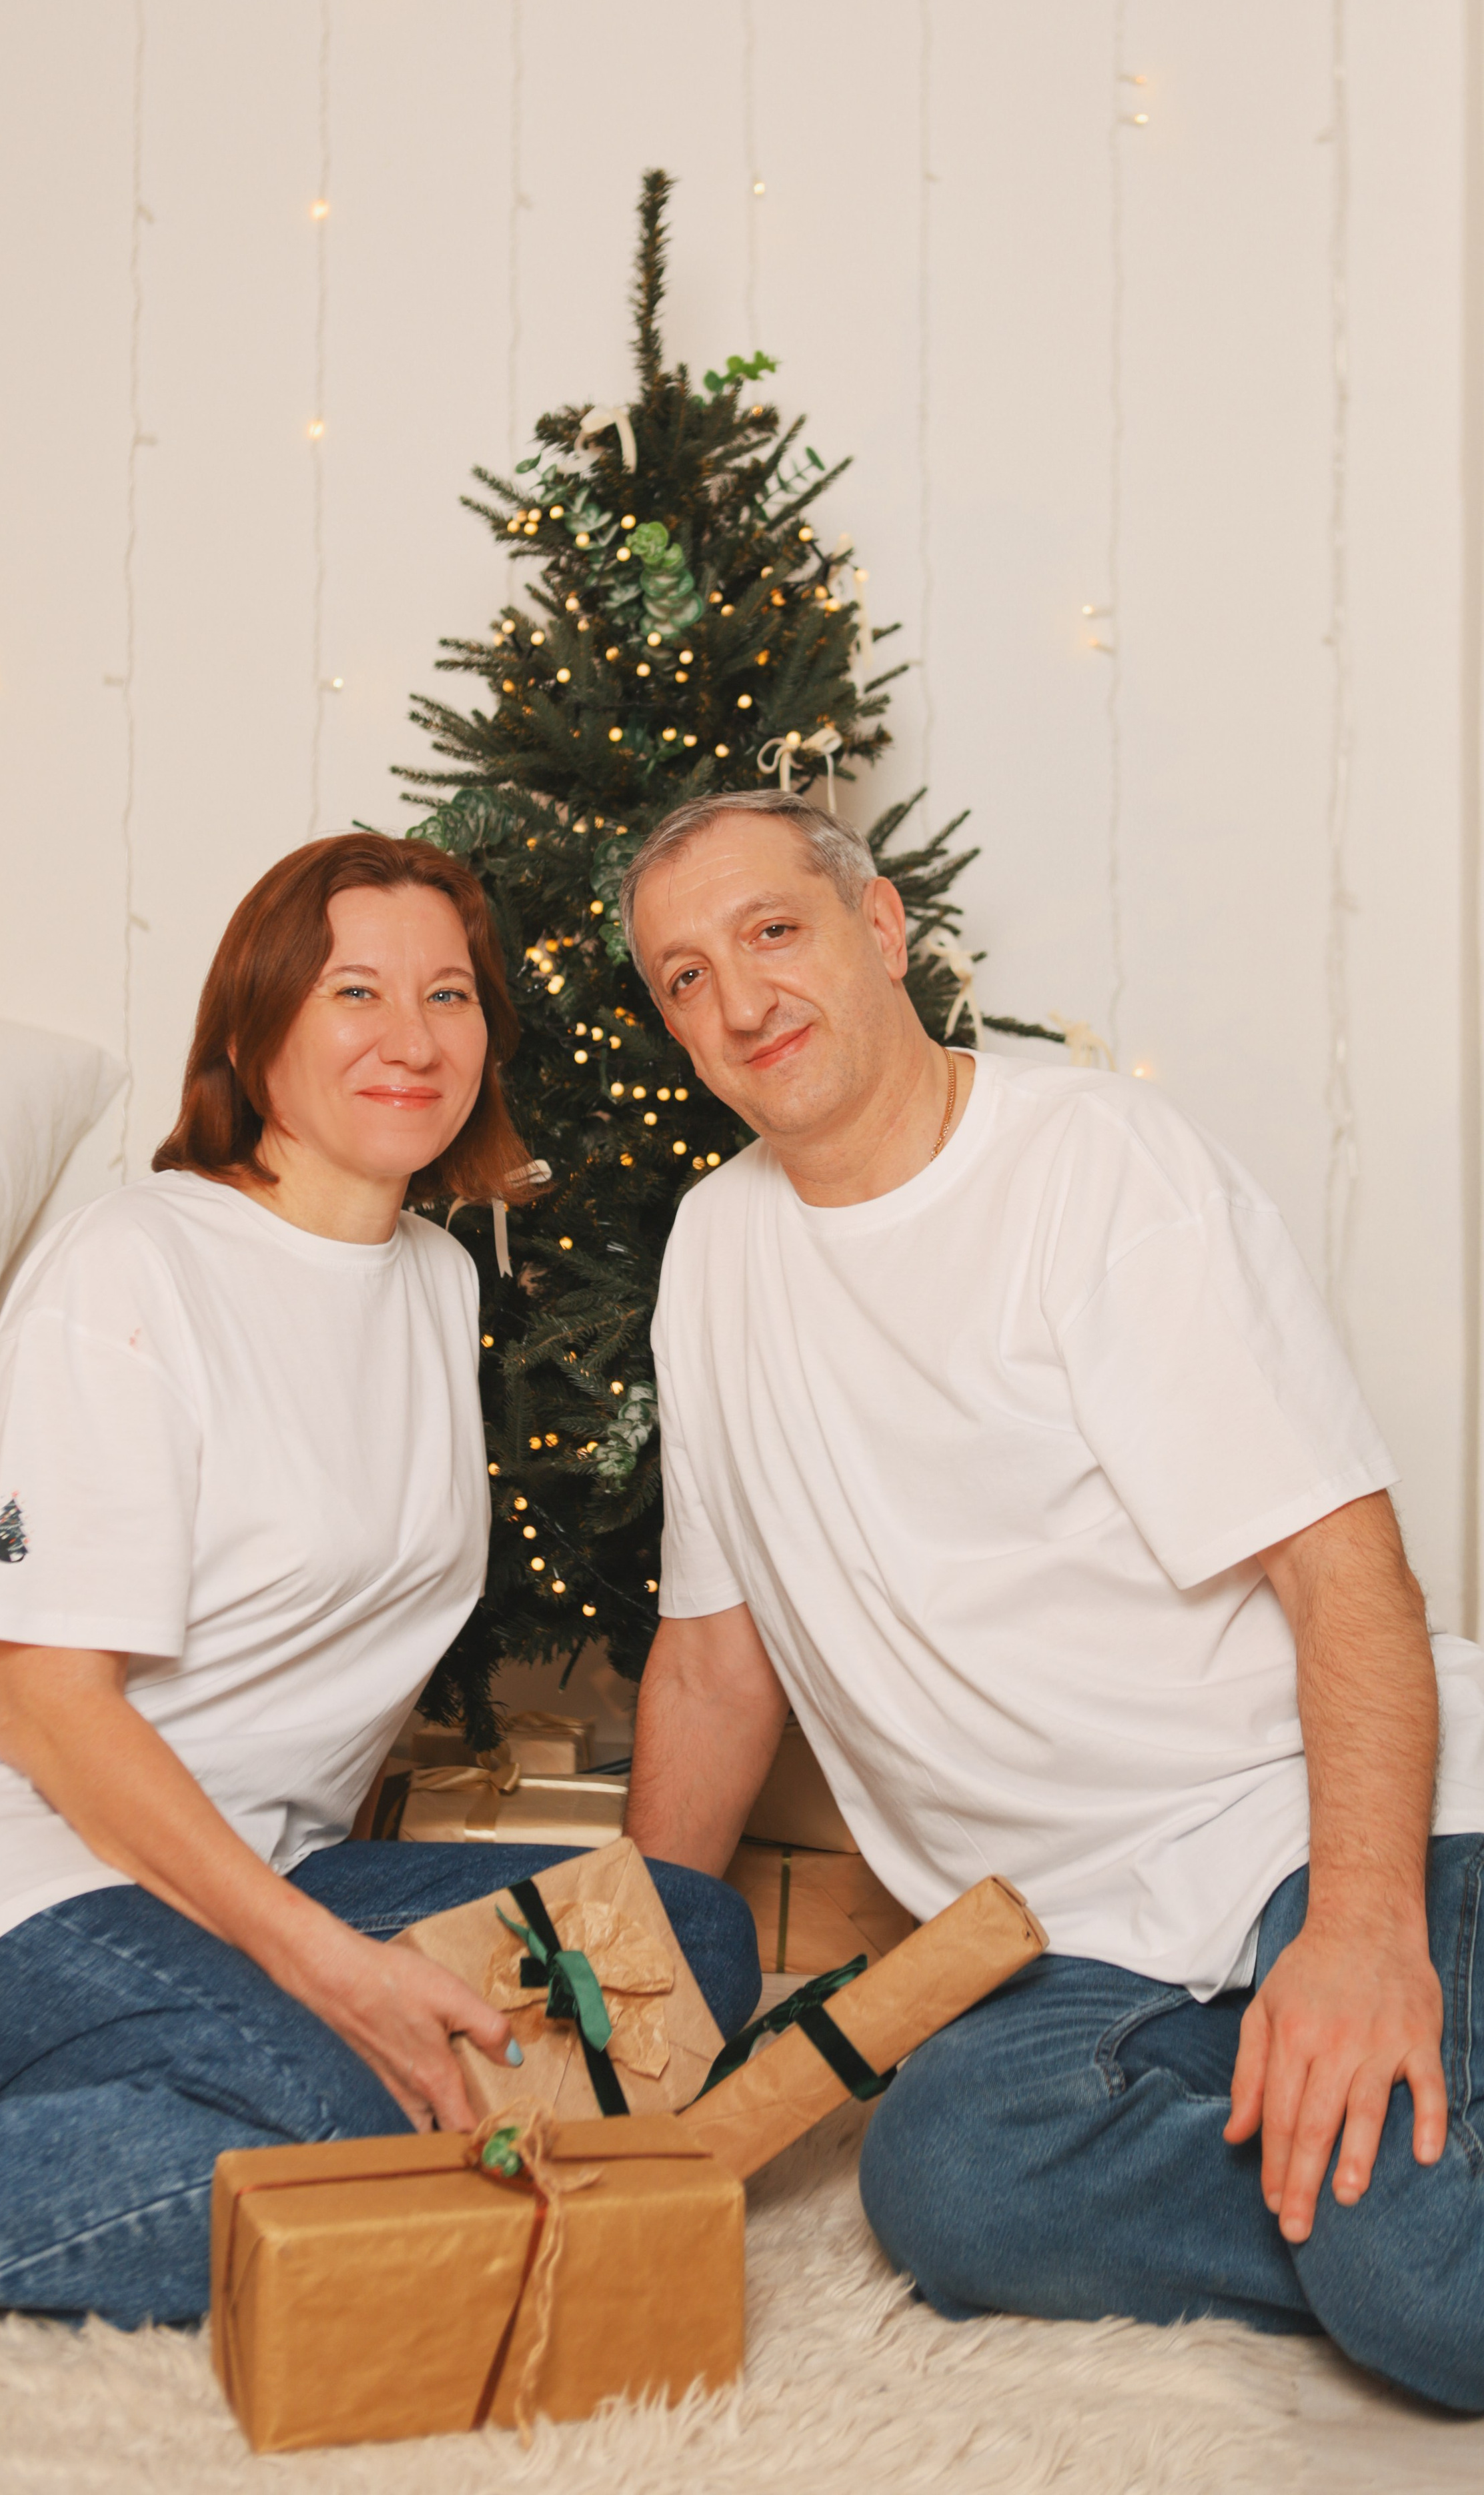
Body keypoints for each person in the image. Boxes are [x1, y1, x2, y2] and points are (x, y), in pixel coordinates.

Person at [0, 833, 758, 2328]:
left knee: (677, 1939)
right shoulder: (133, 1265)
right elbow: (46, 1715)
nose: (412, 1037)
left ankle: (163, 2123)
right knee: (329, 2123)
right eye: (354, 989)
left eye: (449, 993)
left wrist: (322, 1954)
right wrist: (333, 1979)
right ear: (256, 1027)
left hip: (233, 1869)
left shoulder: (435, 1279)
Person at [619, 786, 1484, 2413]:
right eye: (680, 977)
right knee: (947, 2187)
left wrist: (1361, 1936)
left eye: (769, 932)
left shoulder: (1095, 1168)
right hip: (1072, 1944)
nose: (734, 1001)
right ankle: (1373, 2159)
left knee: (1425, 2290)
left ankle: (1393, 2173)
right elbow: (716, 1660)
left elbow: (1344, 1571)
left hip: (1317, 1831)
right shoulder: (710, 1252)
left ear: (879, 933)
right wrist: (624, 2029)